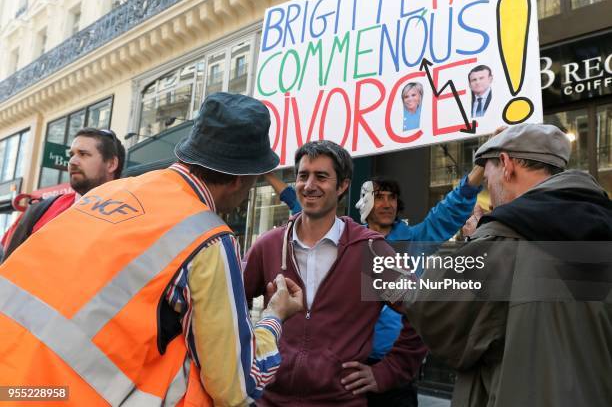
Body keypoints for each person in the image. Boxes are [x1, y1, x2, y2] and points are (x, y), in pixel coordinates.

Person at [0, 93, 304, 406]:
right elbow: (236, 386)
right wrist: (274, 316)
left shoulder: (111, 191)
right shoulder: (210, 236)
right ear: (240, 180)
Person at [399, 124, 612, 407]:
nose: (490, 188)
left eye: (488, 179)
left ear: (507, 165)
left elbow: (431, 311)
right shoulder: (601, 227)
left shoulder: (501, 245)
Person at [244, 140, 428, 406]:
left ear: (342, 185)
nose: (309, 185)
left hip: (340, 401)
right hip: (269, 400)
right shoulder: (268, 245)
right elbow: (229, 306)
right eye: (303, 175)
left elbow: (421, 309)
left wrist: (389, 371)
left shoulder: (370, 251)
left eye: (321, 176)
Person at [357, 169, 483, 407]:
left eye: (391, 197)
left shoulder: (416, 240)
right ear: (364, 202)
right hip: (352, 366)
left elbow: (449, 211)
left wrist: (480, 168)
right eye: (379, 196)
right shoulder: (351, 244)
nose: (386, 203)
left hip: (398, 369)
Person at [1, 127, 125, 262]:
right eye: (72, 154)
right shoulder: (40, 210)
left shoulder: (131, 219)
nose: (72, 161)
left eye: (83, 154)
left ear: (111, 164)